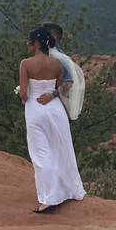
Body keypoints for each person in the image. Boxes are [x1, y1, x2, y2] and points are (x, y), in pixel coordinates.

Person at [19, 27, 86, 213]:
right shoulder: (57, 63)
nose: (27, 44)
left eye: (30, 41)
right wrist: (52, 94)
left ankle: (49, 198)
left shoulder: (25, 64)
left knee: (41, 154)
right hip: (55, 109)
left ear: (37, 43)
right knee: (61, 148)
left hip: (35, 109)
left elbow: (24, 94)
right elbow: (65, 86)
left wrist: (23, 94)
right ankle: (68, 190)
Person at [41, 22, 86, 121]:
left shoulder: (59, 58)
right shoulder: (49, 54)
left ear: (53, 36)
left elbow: (69, 82)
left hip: (53, 108)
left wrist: (52, 95)